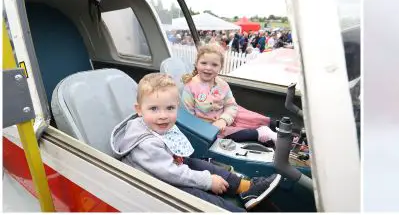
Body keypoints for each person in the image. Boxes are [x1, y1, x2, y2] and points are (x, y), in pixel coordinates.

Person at [110, 73, 282, 211]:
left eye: (170, 108)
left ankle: (246, 188)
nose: (162, 115)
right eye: (153, 108)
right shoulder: (145, 144)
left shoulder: (157, 125)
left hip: (170, 167)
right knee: (195, 196)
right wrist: (207, 181)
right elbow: (171, 175)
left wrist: (203, 173)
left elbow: (178, 163)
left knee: (198, 163)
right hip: (157, 185)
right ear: (139, 110)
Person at [181, 43, 275, 145]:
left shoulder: (222, 84)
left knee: (254, 118)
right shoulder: (190, 87)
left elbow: (231, 105)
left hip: (226, 118)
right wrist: (207, 129)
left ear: (221, 67)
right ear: (196, 64)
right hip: (208, 129)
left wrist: (223, 120)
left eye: (214, 65)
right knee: (242, 133)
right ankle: (261, 133)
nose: (208, 68)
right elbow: (188, 117)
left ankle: (280, 129)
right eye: (203, 63)